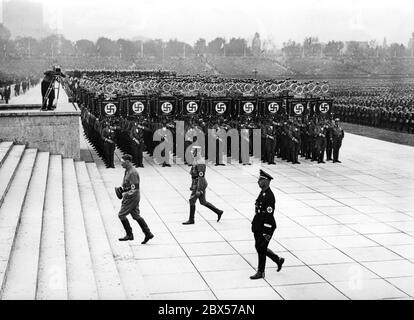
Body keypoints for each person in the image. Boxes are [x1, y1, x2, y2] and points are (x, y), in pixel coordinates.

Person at [250, 169, 284, 280]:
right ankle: (278, 260)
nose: (258, 182)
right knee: (259, 247)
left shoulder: (269, 196)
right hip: (258, 223)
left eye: (261, 180)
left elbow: (269, 215)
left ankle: (261, 272)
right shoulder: (263, 193)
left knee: (261, 247)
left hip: (266, 226)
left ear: (266, 181)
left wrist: (265, 231)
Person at [116, 154, 154, 243]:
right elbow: (128, 185)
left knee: (121, 215)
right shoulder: (127, 170)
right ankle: (148, 233)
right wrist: (122, 190)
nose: (121, 164)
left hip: (132, 197)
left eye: (122, 162)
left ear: (128, 162)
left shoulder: (133, 172)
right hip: (131, 196)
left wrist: (125, 195)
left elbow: (134, 188)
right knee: (136, 216)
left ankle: (129, 235)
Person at [182, 146, 224, 225]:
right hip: (196, 182)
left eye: (193, 152)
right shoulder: (196, 160)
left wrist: (198, 189)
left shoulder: (200, 162)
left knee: (192, 200)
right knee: (203, 202)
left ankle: (191, 219)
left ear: (197, 152)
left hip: (199, 183)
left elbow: (201, 177)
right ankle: (218, 212)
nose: (192, 153)